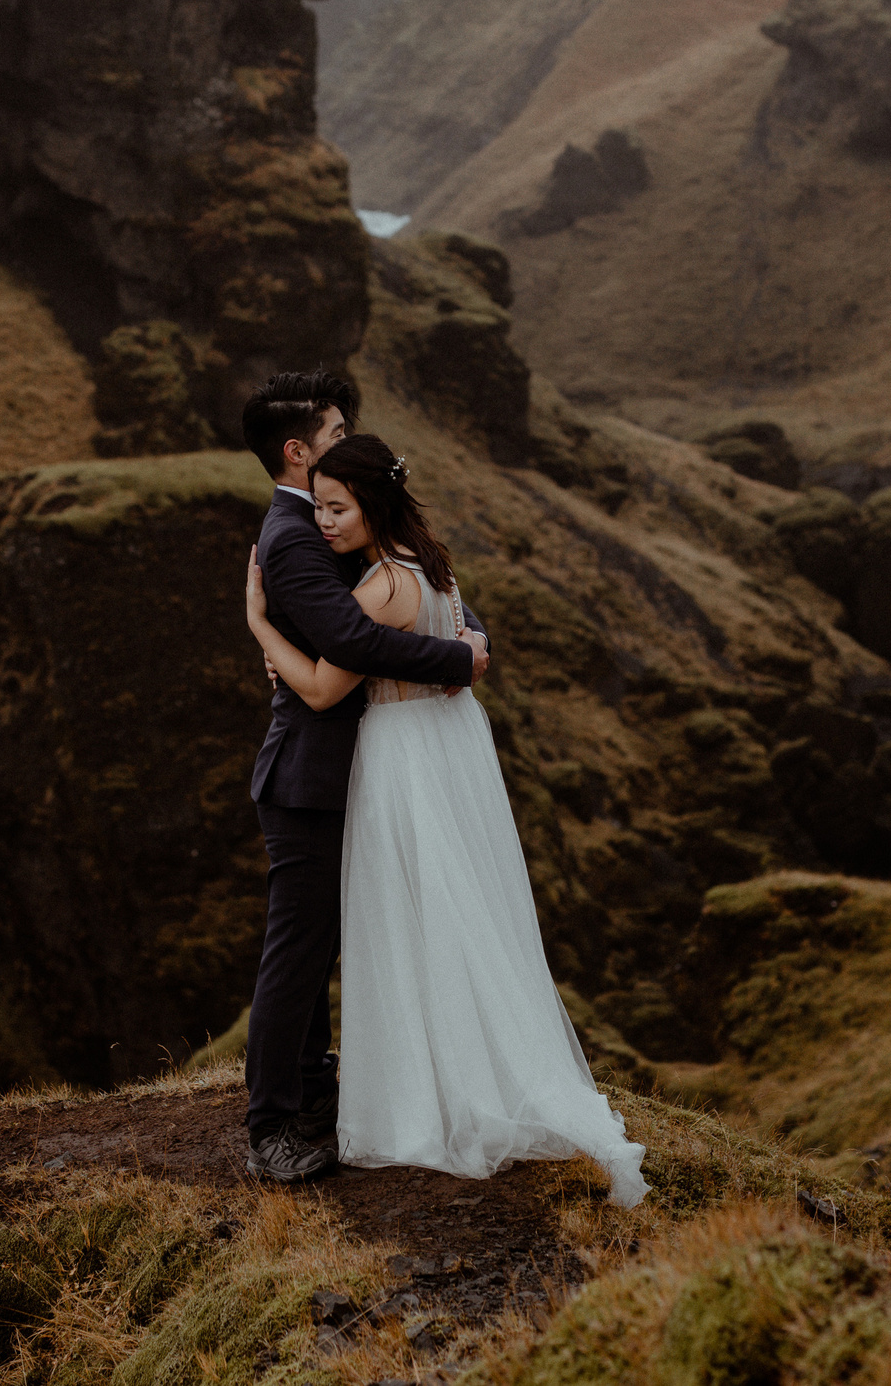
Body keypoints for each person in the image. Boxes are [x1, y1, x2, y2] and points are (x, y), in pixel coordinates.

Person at [244, 431, 647, 1208]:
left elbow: (326, 687)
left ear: (373, 504)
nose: (324, 521)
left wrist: (263, 625)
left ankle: (421, 1095)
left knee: (401, 922)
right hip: (442, 751)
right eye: (318, 506)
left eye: (337, 507)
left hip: (397, 763)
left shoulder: (382, 586)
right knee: (452, 918)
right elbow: (447, 647)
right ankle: (462, 1071)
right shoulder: (436, 568)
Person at [238, 371, 491, 1184]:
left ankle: (314, 1098)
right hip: (309, 776)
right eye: (337, 428)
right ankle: (273, 1123)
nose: (348, 439)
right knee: (298, 953)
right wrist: (458, 657)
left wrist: (467, 632)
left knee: (321, 951)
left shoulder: (337, 523)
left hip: (361, 771)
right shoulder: (294, 535)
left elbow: (419, 585)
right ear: (297, 448)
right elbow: (354, 636)